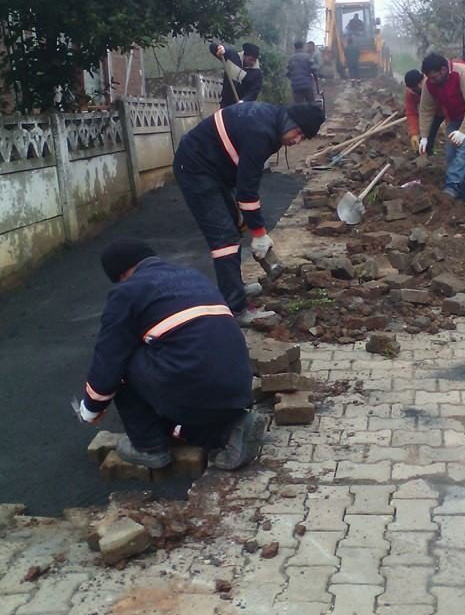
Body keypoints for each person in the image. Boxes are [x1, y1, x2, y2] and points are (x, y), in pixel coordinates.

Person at [77, 238, 264, 471]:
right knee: (169, 357)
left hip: (194, 386)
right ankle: (228, 431)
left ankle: (148, 447)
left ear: (123, 274)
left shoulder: (127, 291)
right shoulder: (193, 277)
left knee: (125, 359)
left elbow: (108, 358)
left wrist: (91, 407)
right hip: (238, 387)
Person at [173, 102, 325, 325]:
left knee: (233, 227)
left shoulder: (273, 123)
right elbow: (247, 189)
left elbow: (244, 179)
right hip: (196, 168)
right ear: (290, 121)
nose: (297, 140)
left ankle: (234, 287)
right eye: (299, 132)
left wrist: (244, 217)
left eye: (303, 137)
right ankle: (236, 309)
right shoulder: (261, 133)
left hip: (216, 170)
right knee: (224, 239)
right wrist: (259, 232)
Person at [418, 53, 465, 206]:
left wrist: (464, 131)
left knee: (463, 148)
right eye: (429, 77)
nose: (431, 81)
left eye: (434, 77)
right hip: (455, 116)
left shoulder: (463, 72)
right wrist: (424, 136)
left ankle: (450, 189)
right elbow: (426, 110)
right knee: (451, 155)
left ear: (443, 70)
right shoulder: (429, 83)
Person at [209, 42, 263, 108]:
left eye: (255, 60)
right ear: (244, 55)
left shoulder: (257, 73)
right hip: (226, 102)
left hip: (242, 106)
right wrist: (219, 49)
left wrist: (244, 101)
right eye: (250, 59)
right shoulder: (232, 57)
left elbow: (253, 92)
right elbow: (212, 47)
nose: (253, 62)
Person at [404, 69, 444, 156]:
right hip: (432, 113)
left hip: (446, 108)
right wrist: (414, 133)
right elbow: (411, 112)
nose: (417, 89)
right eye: (414, 89)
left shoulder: (432, 83)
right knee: (428, 133)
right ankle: (427, 154)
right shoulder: (410, 93)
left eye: (418, 86)